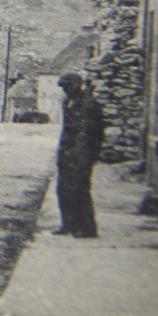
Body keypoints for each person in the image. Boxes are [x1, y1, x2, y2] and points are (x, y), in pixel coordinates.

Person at [54, 72, 105, 238]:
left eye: (68, 87)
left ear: (77, 85)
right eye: (63, 88)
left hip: (82, 153)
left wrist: (84, 156)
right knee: (63, 189)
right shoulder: (68, 102)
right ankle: (68, 224)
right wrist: (62, 151)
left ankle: (87, 227)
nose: (65, 90)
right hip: (67, 152)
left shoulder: (89, 104)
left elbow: (90, 134)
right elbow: (66, 130)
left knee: (80, 189)